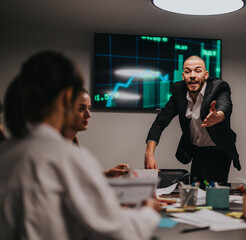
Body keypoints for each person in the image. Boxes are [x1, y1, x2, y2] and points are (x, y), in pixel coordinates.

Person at [0, 50, 160, 240]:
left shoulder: (6, 153)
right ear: (68, 96)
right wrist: (149, 211)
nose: (87, 114)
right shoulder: (67, 157)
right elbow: (121, 232)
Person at [145, 55, 241, 186]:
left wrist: (218, 116)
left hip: (218, 152)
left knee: (213, 193)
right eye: (188, 71)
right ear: (183, 76)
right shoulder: (178, 91)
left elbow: (226, 105)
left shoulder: (219, 86)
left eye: (198, 70)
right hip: (197, 151)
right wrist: (149, 153)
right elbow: (161, 121)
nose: (192, 75)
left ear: (206, 75)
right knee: (195, 192)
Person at [61, 88, 129, 178]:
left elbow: (80, 179)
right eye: (81, 108)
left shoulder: (73, 142)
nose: (89, 114)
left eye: (89, 108)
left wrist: (106, 175)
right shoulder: (55, 145)